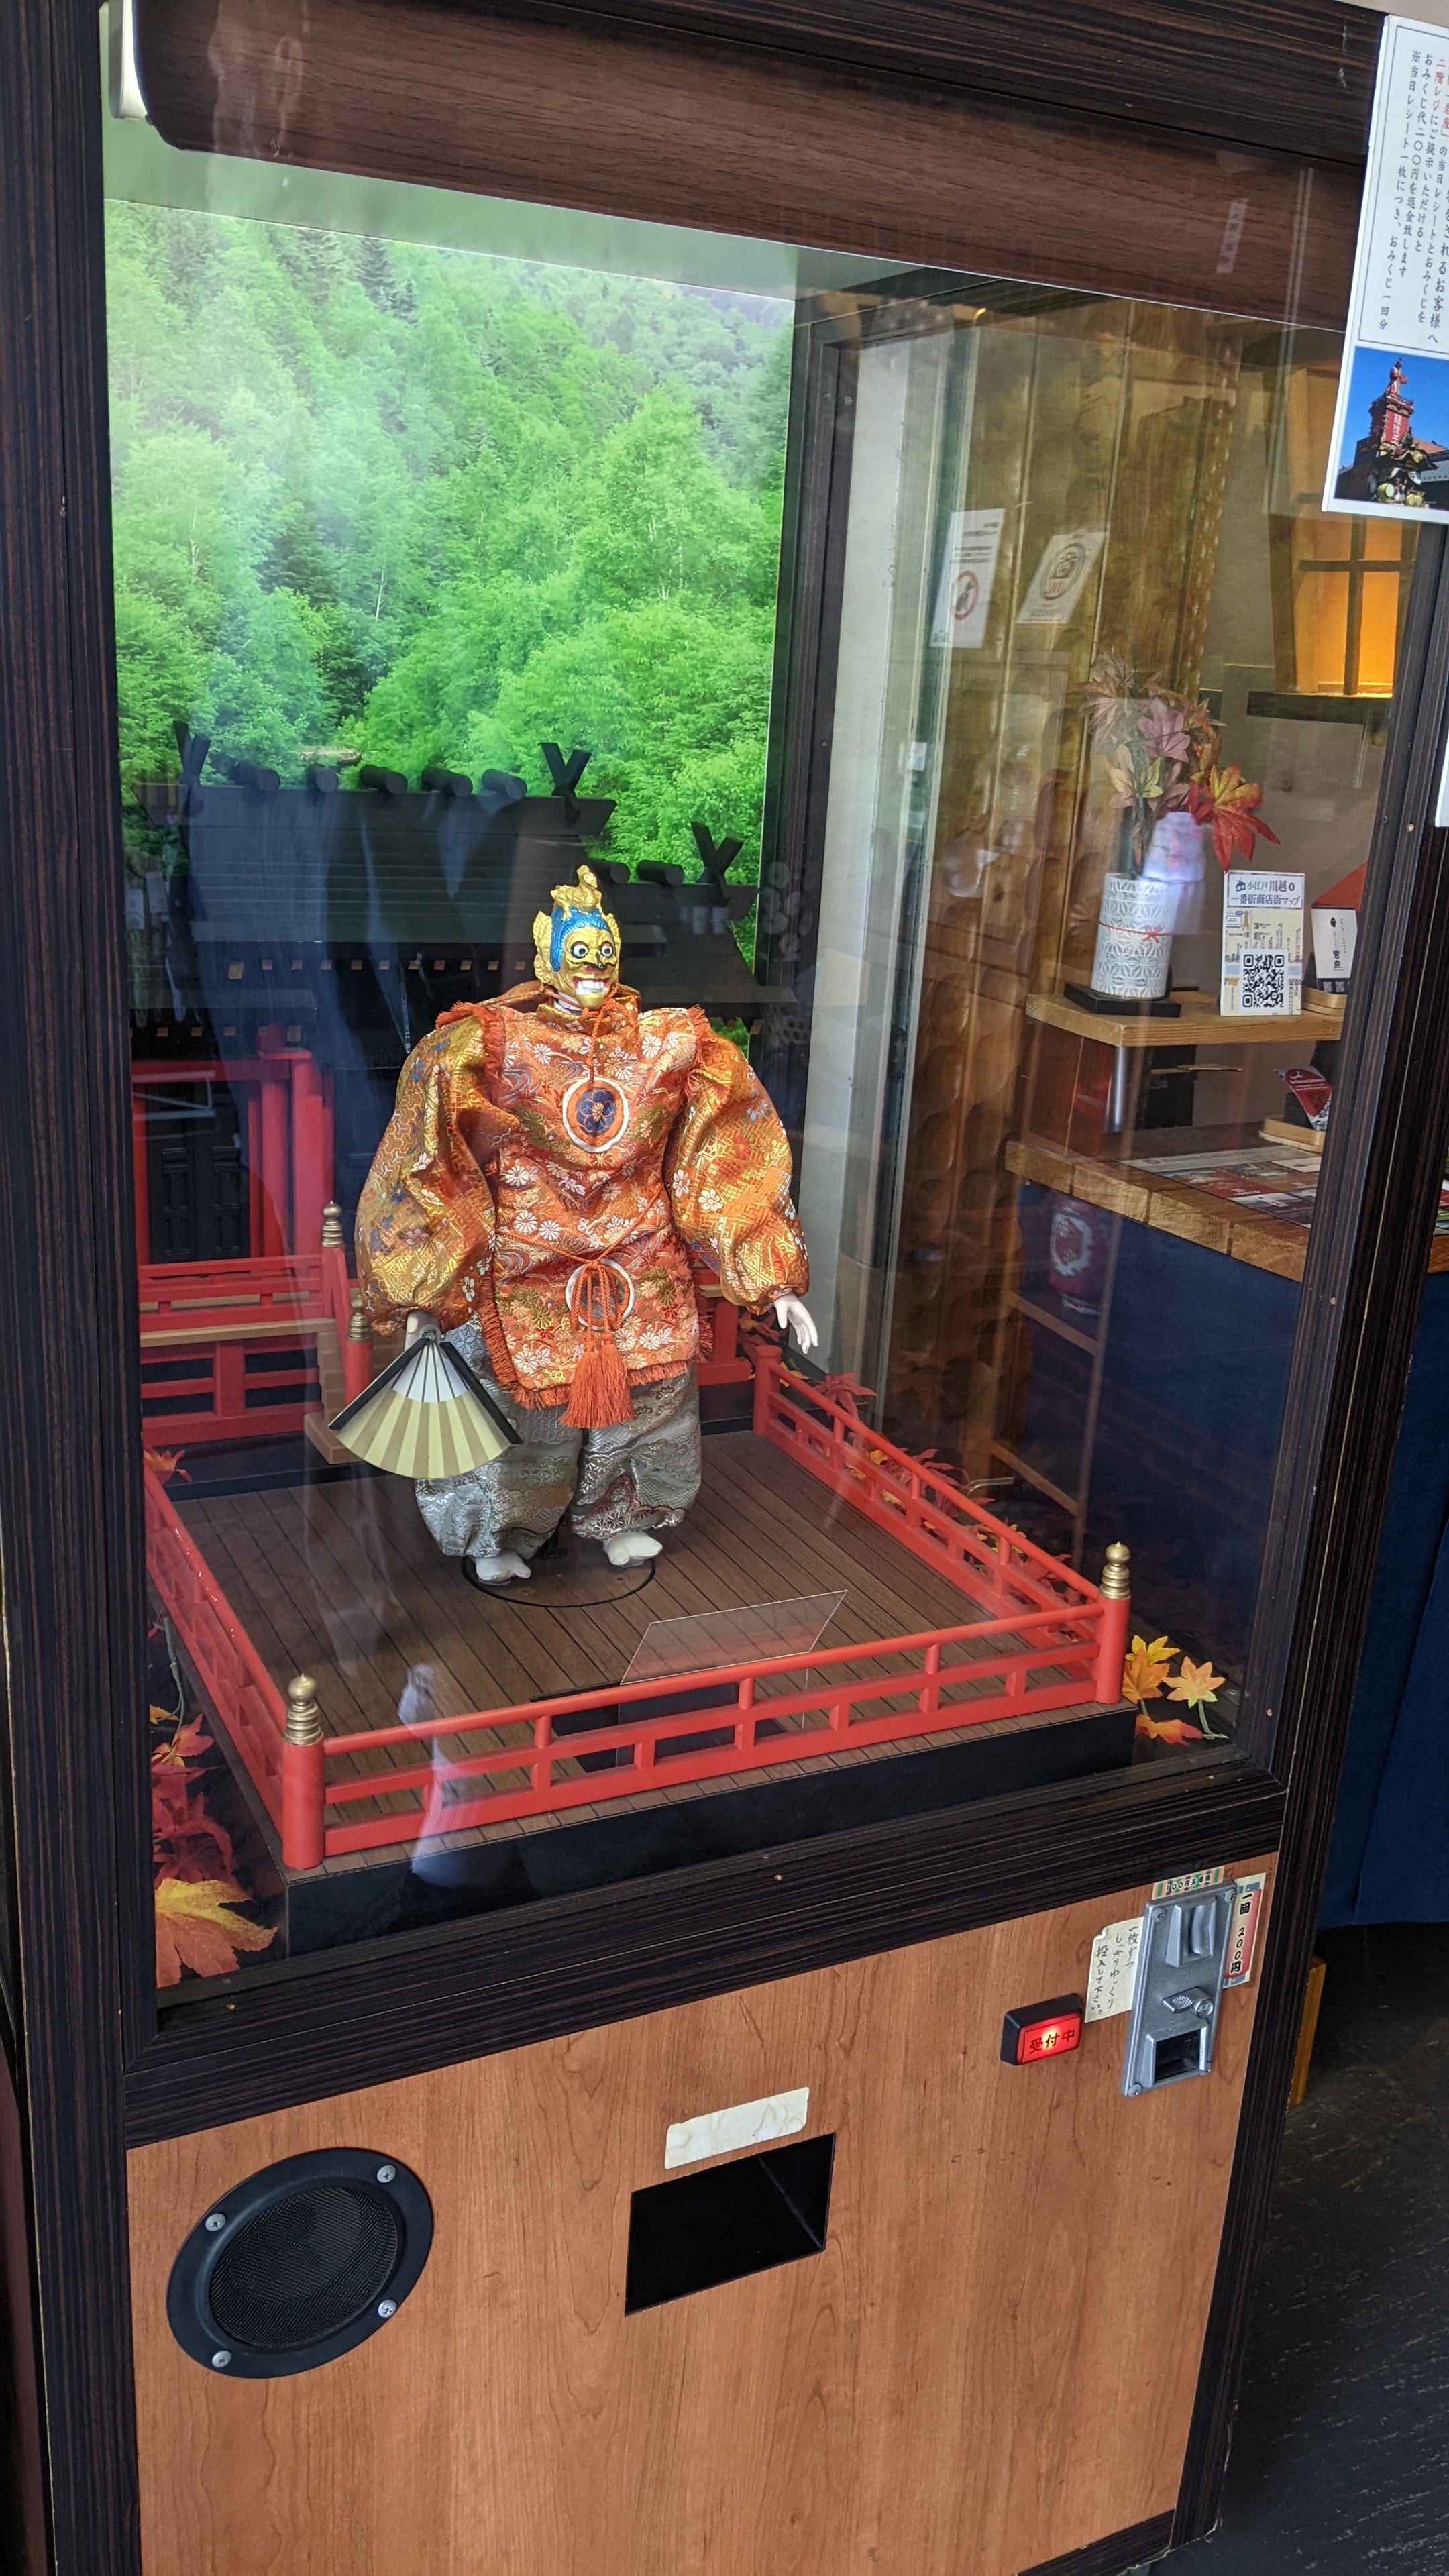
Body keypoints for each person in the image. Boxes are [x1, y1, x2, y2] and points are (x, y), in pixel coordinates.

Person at [356, 864, 814, 1582]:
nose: (595, 970)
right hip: (526, 1262)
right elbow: (432, 1154)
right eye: (579, 956)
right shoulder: (490, 1043)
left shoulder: (668, 1045)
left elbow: (724, 1157)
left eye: (605, 955)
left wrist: (768, 1273)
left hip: (640, 1256)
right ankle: (499, 1534)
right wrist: (424, 1289)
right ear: (546, 959)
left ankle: (626, 1516)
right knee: (520, 1420)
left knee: (647, 1407)